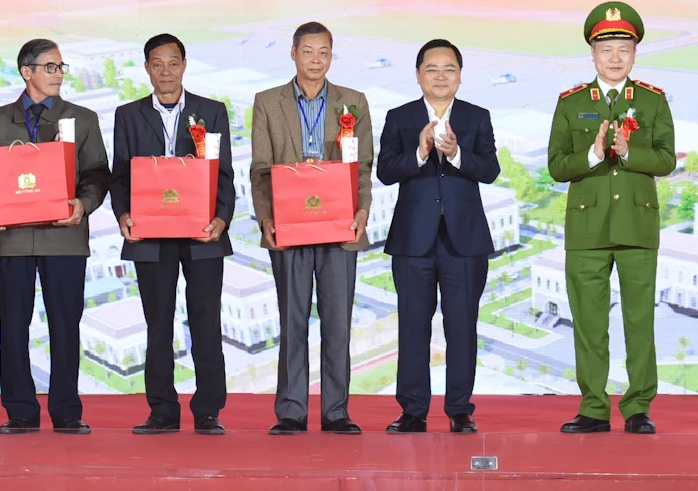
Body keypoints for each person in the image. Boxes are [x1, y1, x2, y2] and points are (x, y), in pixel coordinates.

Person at [548, 1, 677, 435]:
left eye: (624, 47)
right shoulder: (570, 103)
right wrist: (594, 153)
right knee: (589, 324)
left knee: (640, 321)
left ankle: (639, 406)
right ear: (592, 53)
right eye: (607, 49)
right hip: (586, 230)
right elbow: (557, 165)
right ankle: (593, 407)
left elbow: (664, 161)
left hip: (637, 227)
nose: (615, 57)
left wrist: (628, 152)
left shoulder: (653, 101)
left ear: (635, 52)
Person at [0, 39, 110, 435]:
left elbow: (98, 173)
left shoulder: (82, 119)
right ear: (26, 71)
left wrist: (82, 205)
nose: (59, 74)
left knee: (66, 325)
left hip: (64, 238)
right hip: (12, 239)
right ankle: (20, 411)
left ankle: (67, 411)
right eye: (50, 67)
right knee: (13, 326)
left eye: (61, 67)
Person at [249, 22, 373, 435]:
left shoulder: (352, 101)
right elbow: (260, 168)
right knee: (293, 319)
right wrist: (266, 217)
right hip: (289, 225)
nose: (315, 60)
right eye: (308, 52)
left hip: (340, 226)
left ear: (331, 56)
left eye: (323, 52)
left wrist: (362, 212)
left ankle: (336, 411)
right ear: (293, 53)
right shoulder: (268, 102)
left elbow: (364, 166)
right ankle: (291, 411)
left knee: (337, 323)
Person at [111, 33, 235, 435]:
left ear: (185, 65)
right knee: (158, 323)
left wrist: (221, 219)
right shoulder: (127, 115)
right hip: (151, 234)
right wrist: (124, 214)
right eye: (157, 64)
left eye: (173, 63)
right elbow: (120, 177)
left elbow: (225, 176)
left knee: (205, 321)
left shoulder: (211, 112)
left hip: (202, 233)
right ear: (147, 68)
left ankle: (208, 411)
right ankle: (162, 410)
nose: (166, 71)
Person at [377, 39, 501, 434]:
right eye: (432, 69)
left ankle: (460, 409)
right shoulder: (400, 117)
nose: (441, 76)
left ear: (460, 77)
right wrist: (419, 153)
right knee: (413, 326)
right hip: (413, 241)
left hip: (464, 242)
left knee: (462, 326)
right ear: (418, 76)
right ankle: (413, 411)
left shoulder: (477, 117)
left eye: (449, 69)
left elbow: (490, 170)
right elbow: (385, 171)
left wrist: (458, 154)